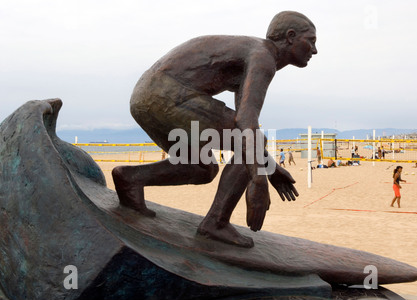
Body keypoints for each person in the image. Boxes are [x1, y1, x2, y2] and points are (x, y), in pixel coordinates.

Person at [112, 11, 316, 247]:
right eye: (310, 40)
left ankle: (131, 179)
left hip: (144, 98)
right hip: (167, 94)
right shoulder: (263, 57)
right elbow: (246, 127)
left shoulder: (252, 53)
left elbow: (243, 121)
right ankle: (216, 223)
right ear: (290, 37)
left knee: (201, 168)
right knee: (253, 140)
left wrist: (271, 168)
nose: (314, 50)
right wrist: (259, 181)